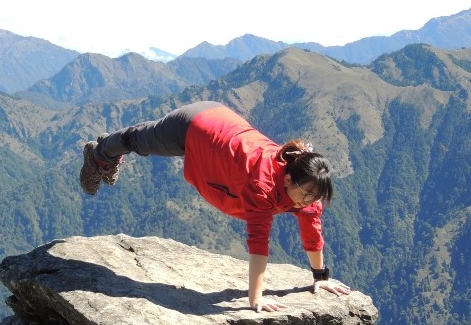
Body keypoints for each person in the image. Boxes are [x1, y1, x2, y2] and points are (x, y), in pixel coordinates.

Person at [79, 100, 351, 313]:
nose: (308, 202)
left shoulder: (305, 190)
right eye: (306, 195)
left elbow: (312, 231)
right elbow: (258, 244)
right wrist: (255, 299)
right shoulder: (263, 185)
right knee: (137, 140)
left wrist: (320, 277)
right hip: (194, 125)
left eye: (314, 197)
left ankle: (106, 151)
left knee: (143, 141)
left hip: (220, 128)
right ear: (288, 177)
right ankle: (99, 154)